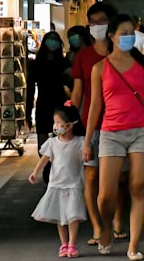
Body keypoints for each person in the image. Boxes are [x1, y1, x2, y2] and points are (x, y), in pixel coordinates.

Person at [83, 14, 144, 260]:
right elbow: (95, 106)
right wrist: (87, 141)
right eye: (124, 33)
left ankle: (134, 245)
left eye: (132, 33)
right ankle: (106, 227)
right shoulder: (100, 68)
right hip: (111, 133)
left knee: (137, 186)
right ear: (112, 35)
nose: (129, 37)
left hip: (141, 130)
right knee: (105, 195)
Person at [70, 2, 127, 248]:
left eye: (101, 21)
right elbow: (77, 95)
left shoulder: (126, 54)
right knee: (91, 177)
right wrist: (70, 124)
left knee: (122, 180)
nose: (96, 27)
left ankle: (116, 219)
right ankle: (96, 225)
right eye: (92, 22)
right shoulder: (83, 56)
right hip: (92, 127)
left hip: (121, 125)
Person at [30, 103, 87, 259]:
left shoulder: (80, 142)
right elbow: (45, 158)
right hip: (56, 184)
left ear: (70, 125)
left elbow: (89, 158)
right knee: (60, 216)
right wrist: (36, 171)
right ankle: (64, 244)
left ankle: (72, 243)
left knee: (73, 215)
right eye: (54, 122)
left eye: (58, 122)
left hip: (74, 184)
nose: (55, 126)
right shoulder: (52, 143)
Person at [34, 32, 70, 185]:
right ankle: (48, 171)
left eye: (56, 40)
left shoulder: (63, 63)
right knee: (43, 145)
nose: (53, 43)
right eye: (50, 40)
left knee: (60, 142)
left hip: (60, 107)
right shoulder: (36, 63)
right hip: (43, 107)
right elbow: (30, 88)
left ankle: (55, 174)